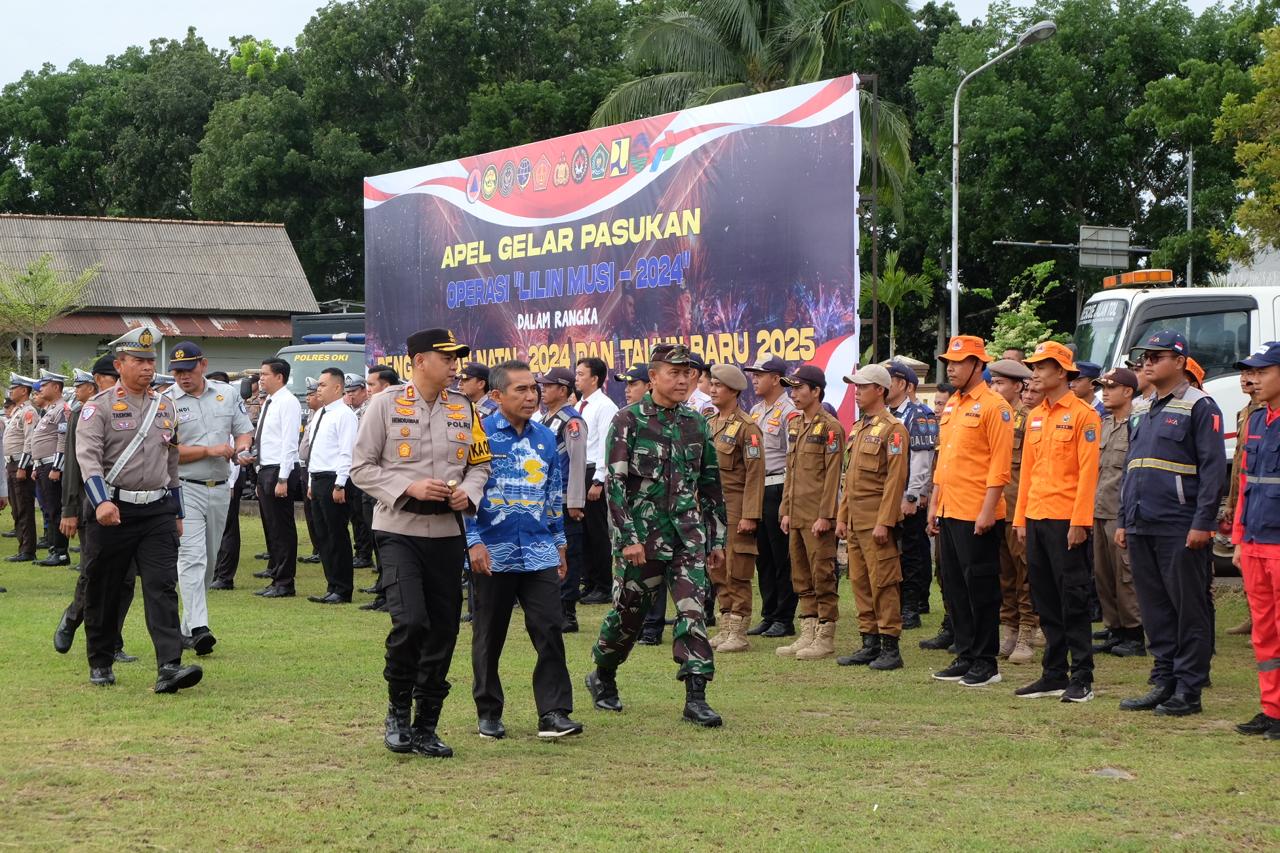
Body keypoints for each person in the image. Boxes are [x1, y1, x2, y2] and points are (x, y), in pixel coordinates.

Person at [350, 328, 491, 758]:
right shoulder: (385, 404)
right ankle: (397, 711)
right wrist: (409, 485)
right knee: (411, 621)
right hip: (398, 529)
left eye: (456, 359)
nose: (454, 366)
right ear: (418, 361)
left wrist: (472, 491)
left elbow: (480, 465)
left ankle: (426, 724)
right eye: (445, 358)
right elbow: (361, 467)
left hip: (448, 533)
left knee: (444, 629)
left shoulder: (465, 408)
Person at [584, 343, 727, 727]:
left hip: (687, 538)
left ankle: (696, 695)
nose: (682, 380)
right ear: (654, 377)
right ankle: (603, 674)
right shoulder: (628, 420)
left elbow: (711, 485)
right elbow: (615, 485)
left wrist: (716, 540)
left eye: (688, 374)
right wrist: (627, 537)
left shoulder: (696, 423)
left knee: (692, 611)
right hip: (642, 541)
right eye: (673, 373)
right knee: (628, 616)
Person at [76, 326, 202, 693]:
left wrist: (177, 512)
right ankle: (100, 659)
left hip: (157, 511)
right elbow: (89, 459)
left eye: (150, 361)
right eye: (139, 361)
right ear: (120, 364)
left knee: (162, 585)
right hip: (113, 510)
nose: (148, 368)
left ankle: (169, 665)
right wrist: (101, 502)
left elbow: (172, 460)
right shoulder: (96, 408)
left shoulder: (166, 406)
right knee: (105, 587)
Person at [466, 360, 582, 740]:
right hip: (492, 551)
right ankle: (488, 711)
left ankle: (553, 712)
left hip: (538, 550)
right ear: (497, 395)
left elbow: (553, 495)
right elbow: (463, 494)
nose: (531, 396)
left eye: (533, 388)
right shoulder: (478, 434)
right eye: (521, 389)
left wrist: (560, 542)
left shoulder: (547, 438)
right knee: (490, 632)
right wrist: (473, 541)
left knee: (549, 627)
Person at [1118, 330, 1225, 717]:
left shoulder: (1201, 406)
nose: (1148, 362)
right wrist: (1123, 519)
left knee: (1188, 608)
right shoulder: (1143, 408)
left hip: (1180, 524)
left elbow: (1213, 472)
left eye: (1158, 356)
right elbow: (1132, 467)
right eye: (1145, 356)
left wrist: (1203, 523)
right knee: (1155, 608)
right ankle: (1163, 680)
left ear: (1179, 361)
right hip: (1142, 522)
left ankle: (1189, 688)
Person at [1012, 342, 1102, 703]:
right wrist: (1020, 518)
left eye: (1043, 367)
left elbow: (1088, 473)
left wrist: (1080, 521)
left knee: (1073, 599)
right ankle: (1052, 673)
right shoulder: (1035, 415)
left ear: (1062, 372)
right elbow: (1028, 472)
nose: (1035, 373)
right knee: (1044, 598)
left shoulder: (1083, 415)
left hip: (1067, 519)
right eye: (1034, 366)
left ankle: (1082, 676)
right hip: (1036, 516)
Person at [928, 335, 1014, 688]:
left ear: (979, 365)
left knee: (980, 587)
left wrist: (987, 511)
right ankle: (965, 653)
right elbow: (944, 459)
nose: (952, 367)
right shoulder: (953, 405)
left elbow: (1000, 464)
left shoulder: (995, 406)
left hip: (978, 511)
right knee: (954, 586)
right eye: (949, 361)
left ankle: (985, 661)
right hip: (949, 508)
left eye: (960, 362)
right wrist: (934, 503)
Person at [169, 342, 253, 654]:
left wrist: (242, 448)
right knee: (191, 557)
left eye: (188, 370)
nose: (182, 377)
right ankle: (201, 627)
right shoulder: (168, 402)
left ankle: (187, 627)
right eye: (176, 372)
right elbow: (168, 452)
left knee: (209, 559)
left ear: (203, 365)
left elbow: (244, 430)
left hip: (220, 487)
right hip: (185, 486)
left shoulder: (227, 394)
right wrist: (209, 450)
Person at [54, 358, 139, 661]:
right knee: (94, 573)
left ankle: (113, 642)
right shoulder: (84, 412)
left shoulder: (138, 407)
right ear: (102, 379)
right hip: (93, 503)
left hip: (130, 505)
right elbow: (74, 468)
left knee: (127, 579)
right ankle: (73, 616)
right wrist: (69, 509)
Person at [835, 364, 909, 670]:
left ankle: (890, 645)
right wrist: (842, 516)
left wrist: (885, 521)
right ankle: (870, 641)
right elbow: (849, 478)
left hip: (876, 520)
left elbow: (894, 481)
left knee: (884, 582)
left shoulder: (894, 429)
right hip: (855, 520)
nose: (857, 392)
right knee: (860, 582)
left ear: (880, 389)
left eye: (862, 387)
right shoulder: (858, 428)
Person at [775, 364, 845, 661]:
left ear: (816, 391)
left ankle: (824, 635)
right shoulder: (796, 424)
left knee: (822, 574)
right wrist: (786, 509)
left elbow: (832, 476)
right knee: (800, 574)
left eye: (799, 388)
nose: (794, 393)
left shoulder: (831, 427)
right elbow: (790, 470)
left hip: (818, 514)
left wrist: (826, 516)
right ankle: (808, 630)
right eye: (792, 388)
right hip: (797, 512)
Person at [1229, 341, 1280, 739]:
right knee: (1264, 631)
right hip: (1256, 543)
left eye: (1262, 371)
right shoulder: (1258, 421)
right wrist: (1239, 539)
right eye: (1251, 371)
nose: (1252, 378)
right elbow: (1245, 483)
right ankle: (1272, 708)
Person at [705, 364, 764, 653]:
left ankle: (739, 631)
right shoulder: (711, 423)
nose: (712, 390)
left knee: (737, 570)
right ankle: (726, 625)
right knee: (717, 569)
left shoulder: (747, 428)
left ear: (733, 391)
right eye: (712, 384)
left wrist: (750, 515)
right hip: (713, 510)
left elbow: (755, 474)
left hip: (737, 508)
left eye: (718, 385)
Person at [987, 358, 1038, 665]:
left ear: (1019, 387)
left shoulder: (1029, 419)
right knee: (1004, 574)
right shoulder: (993, 416)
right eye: (993, 383)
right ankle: (1009, 627)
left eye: (1001, 383)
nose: (995, 388)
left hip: (1020, 505)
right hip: (997, 506)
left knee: (1025, 573)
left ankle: (1027, 631)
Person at [1092, 368, 1146, 657]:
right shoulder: (1104, 424)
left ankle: (1134, 633)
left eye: (1111, 387)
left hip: (1120, 510)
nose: (1105, 392)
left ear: (1128, 391)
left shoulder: (1139, 423)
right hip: (1099, 508)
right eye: (1103, 387)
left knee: (1126, 573)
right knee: (1103, 572)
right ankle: (1114, 628)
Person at [744, 355, 798, 638]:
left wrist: (788, 499)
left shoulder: (790, 411)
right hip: (757, 487)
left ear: (776, 379)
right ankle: (768, 613)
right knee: (762, 556)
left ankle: (784, 617)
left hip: (779, 485)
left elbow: (794, 457)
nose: (754, 379)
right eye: (752, 374)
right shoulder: (754, 411)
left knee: (782, 557)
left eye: (759, 374)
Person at [535, 367, 587, 633]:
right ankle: (554, 606)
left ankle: (568, 611)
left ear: (564, 390)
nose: (543, 389)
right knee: (549, 552)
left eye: (549, 385)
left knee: (570, 552)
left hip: (565, 498)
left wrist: (575, 500)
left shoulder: (572, 421)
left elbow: (578, 462)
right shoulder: (546, 418)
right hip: (545, 498)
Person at [886, 360, 936, 630]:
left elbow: (921, 460)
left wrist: (913, 495)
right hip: (885, 494)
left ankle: (911, 607)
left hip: (906, 494)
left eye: (888, 379)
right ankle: (895, 602)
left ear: (903, 384)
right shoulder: (882, 414)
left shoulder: (919, 414)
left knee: (912, 552)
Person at [305, 367, 360, 604]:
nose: (318, 389)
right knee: (323, 535)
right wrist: (309, 481)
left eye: (323, 385)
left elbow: (347, 452)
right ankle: (332, 584)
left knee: (337, 535)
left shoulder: (344, 415)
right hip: (317, 478)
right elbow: (316, 450)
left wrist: (340, 484)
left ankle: (343, 588)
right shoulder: (321, 414)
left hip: (333, 479)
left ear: (337, 387)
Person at [248, 358, 302, 598]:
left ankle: (285, 582)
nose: (261, 378)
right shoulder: (270, 401)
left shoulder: (287, 402)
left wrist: (282, 478)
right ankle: (277, 576)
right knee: (272, 528)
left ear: (279, 377)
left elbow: (290, 443)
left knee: (282, 529)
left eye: (265, 374)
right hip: (266, 469)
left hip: (280, 470)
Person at [574, 357, 618, 605]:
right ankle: (589, 581)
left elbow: (606, 444)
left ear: (595, 378)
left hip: (594, 472)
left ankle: (603, 584)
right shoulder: (580, 405)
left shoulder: (605, 405)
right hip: (579, 471)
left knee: (597, 531)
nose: (577, 378)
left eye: (581, 374)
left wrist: (599, 480)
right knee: (583, 531)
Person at [358, 365, 401, 612]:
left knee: (389, 546)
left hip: (388, 487)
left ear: (385, 386)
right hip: (370, 483)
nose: (368, 389)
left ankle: (390, 596)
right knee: (376, 541)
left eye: (371, 385)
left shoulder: (398, 411)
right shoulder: (372, 408)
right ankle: (381, 590)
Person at [1226, 368, 1263, 637]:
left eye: (1251, 373)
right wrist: (1231, 501)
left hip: (1263, 497)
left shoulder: (1266, 412)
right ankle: (1253, 617)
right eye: (1242, 374)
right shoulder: (1244, 412)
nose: (1244, 379)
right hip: (1242, 491)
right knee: (1245, 563)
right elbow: (1239, 459)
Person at [30, 370, 71, 566]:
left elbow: (62, 440)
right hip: (43, 466)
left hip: (52, 466)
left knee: (55, 509)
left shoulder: (62, 409)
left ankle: (60, 552)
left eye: (44, 385)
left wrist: (57, 467)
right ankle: (55, 549)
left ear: (56, 387)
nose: (41, 388)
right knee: (49, 509)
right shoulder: (50, 410)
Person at [5, 373, 39, 562]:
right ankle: (22, 547)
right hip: (12, 464)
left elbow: (30, 441)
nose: (11, 391)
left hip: (20, 465)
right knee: (16, 508)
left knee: (24, 507)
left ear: (24, 391)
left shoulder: (28, 412)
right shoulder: (18, 411)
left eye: (14, 388)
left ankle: (28, 550)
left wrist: (23, 466)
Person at [343, 373, 374, 569]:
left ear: (364, 390)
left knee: (364, 516)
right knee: (356, 514)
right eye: (347, 392)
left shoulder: (369, 409)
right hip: (354, 469)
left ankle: (365, 553)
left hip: (367, 468)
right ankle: (361, 551)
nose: (350, 396)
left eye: (353, 391)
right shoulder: (351, 411)